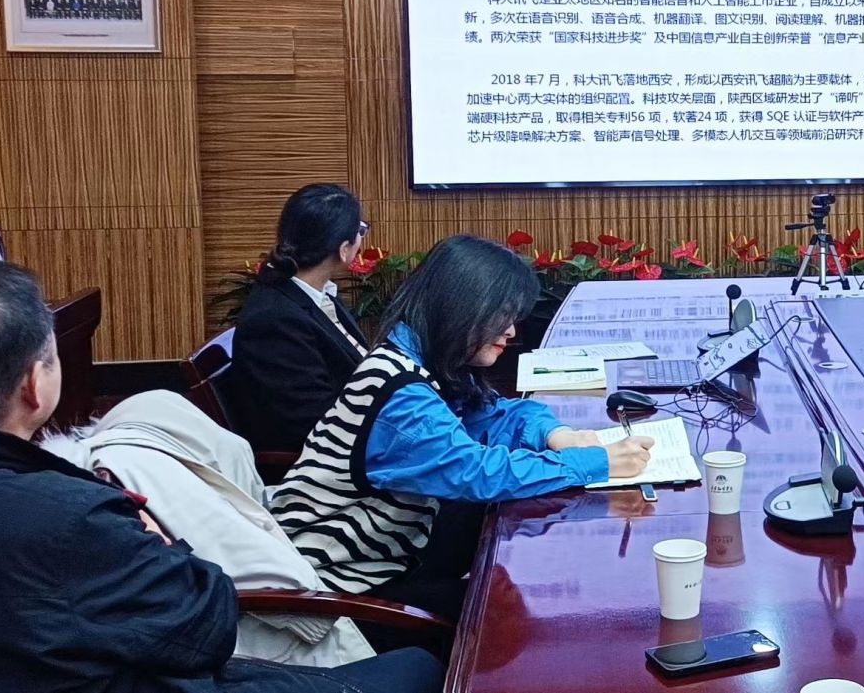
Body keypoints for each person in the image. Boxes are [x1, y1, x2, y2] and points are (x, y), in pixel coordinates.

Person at [0, 257, 441, 692]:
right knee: (418, 667)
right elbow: (208, 627)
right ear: (34, 384)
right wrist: (154, 533)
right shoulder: (69, 518)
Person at [271, 235, 654, 619]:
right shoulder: (400, 392)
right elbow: (480, 473)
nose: (511, 332)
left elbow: (498, 413)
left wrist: (558, 435)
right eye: (503, 315)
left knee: (513, 570)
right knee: (509, 617)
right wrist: (595, 462)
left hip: (395, 553)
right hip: (333, 591)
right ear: (463, 307)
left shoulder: (421, 359)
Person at [40, 390, 376, 668]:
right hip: (233, 646)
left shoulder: (41, 497)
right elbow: (284, 588)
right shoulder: (126, 474)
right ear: (35, 385)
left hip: (163, 640)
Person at [227, 184, 370, 453]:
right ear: (343, 249)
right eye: (360, 231)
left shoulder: (317, 294)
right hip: (329, 460)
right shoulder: (274, 320)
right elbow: (313, 423)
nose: (362, 237)